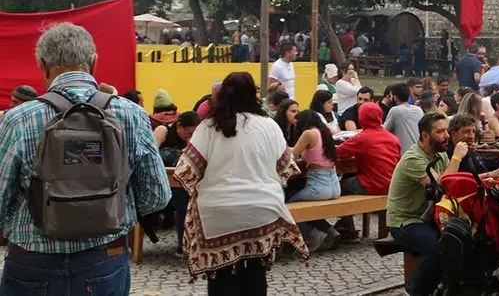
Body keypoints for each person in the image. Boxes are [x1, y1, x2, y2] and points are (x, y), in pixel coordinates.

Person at [0, 23, 171, 293]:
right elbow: (157, 196)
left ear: (43, 66)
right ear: (93, 63)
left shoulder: (18, 119)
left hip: (33, 263)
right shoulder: (132, 114)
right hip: (104, 259)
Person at [173, 71, 308, 294]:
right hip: (262, 211)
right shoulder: (269, 125)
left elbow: (185, 171)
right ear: (253, 94)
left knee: (221, 277)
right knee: (255, 273)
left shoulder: (208, 127)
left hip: (217, 215)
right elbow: (287, 169)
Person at [386, 112, 461, 295]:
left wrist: (489, 176)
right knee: (439, 249)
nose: (446, 136)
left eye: (446, 131)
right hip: (405, 221)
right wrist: (456, 158)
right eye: (440, 131)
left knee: (462, 239)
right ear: (425, 135)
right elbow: (441, 187)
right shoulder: (414, 159)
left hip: (429, 217)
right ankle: (415, 291)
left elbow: (455, 181)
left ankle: (450, 286)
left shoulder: (440, 155)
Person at [334, 101, 400, 241]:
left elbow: (337, 152)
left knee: (338, 188)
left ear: (362, 118)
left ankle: (349, 228)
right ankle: (348, 226)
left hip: (372, 184)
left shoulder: (363, 138)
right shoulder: (392, 138)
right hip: (392, 185)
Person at [287, 110, 341, 251]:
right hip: (334, 185)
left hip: (318, 185)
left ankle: (314, 236)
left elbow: (293, 154)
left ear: (304, 123)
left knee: (290, 207)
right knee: (304, 206)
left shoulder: (308, 134)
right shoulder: (324, 133)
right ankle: (330, 231)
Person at [154, 110, 201, 254]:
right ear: (179, 126)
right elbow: (152, 153)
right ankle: (183, 244)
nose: (190, 137)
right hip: (161, 186)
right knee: (184, 199)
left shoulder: (194, 140)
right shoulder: (164, 131)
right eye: (188, 133)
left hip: (184, 184)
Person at [384, 83, 425, 153]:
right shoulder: (418, 110)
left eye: (390, 96)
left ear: (395, 97)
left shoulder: (395, 111)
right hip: (419, 152)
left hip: (404, 155)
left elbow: (384, 131)